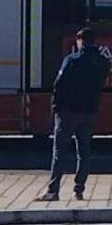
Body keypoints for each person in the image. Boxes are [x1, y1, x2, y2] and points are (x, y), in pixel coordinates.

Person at [37, 28, 111, 202]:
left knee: (59, 152)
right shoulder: (102, 62)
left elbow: (59, 83)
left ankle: (53, 191)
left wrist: (56, 106)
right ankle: (79, 189)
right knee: (84, 152)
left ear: (80, 41)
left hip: (68, 111)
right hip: (89, 111)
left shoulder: (71, 60)